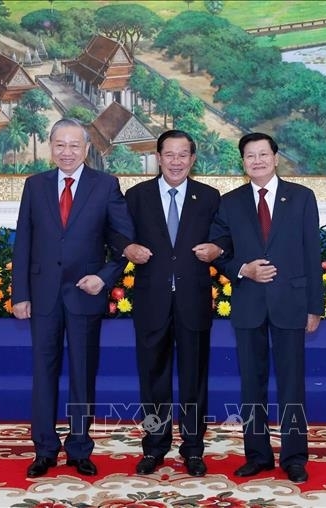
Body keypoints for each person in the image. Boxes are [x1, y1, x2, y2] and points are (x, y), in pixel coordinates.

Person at [12, 118, 134, 478]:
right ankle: (44, 449)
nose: (67, 152)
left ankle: (80, 448)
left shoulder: (106, 185)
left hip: (85, 293)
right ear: (51, 147)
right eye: (60, 145)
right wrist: (21, 294)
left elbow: (124, 242)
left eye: (74, 145)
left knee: (83, 374)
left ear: (86, 149)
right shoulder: (35, 185)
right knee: (43, 373)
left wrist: (104, 278)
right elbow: (24, 243)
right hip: (43, 295)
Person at [209, 132, 323, 483]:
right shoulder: (230, 203)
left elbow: (312, 253)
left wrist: (314, 306)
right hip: (249, 303)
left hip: (291, 302)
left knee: (292, 385)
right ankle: (257, 455)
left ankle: (294, 457)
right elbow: (219, 251)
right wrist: (243, 270)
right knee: (251, 384)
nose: (257, 161)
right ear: (242, 162)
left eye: (263, 154)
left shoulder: (301, 197)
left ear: (275, 157)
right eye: (250, 156)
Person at [117, 130, 225, 477]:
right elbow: (117, 233)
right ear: (158, 157)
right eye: (169, 155)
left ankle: (193, 449)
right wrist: (127, 247)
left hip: (193, 299)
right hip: (152, 300)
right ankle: (154, 446)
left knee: (194, 379)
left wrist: (218, 248)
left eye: (183, 155)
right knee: (153, 380)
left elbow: (225, 236)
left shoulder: (209, 197)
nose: (176, 162)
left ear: (192, 159)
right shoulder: (137, 196)